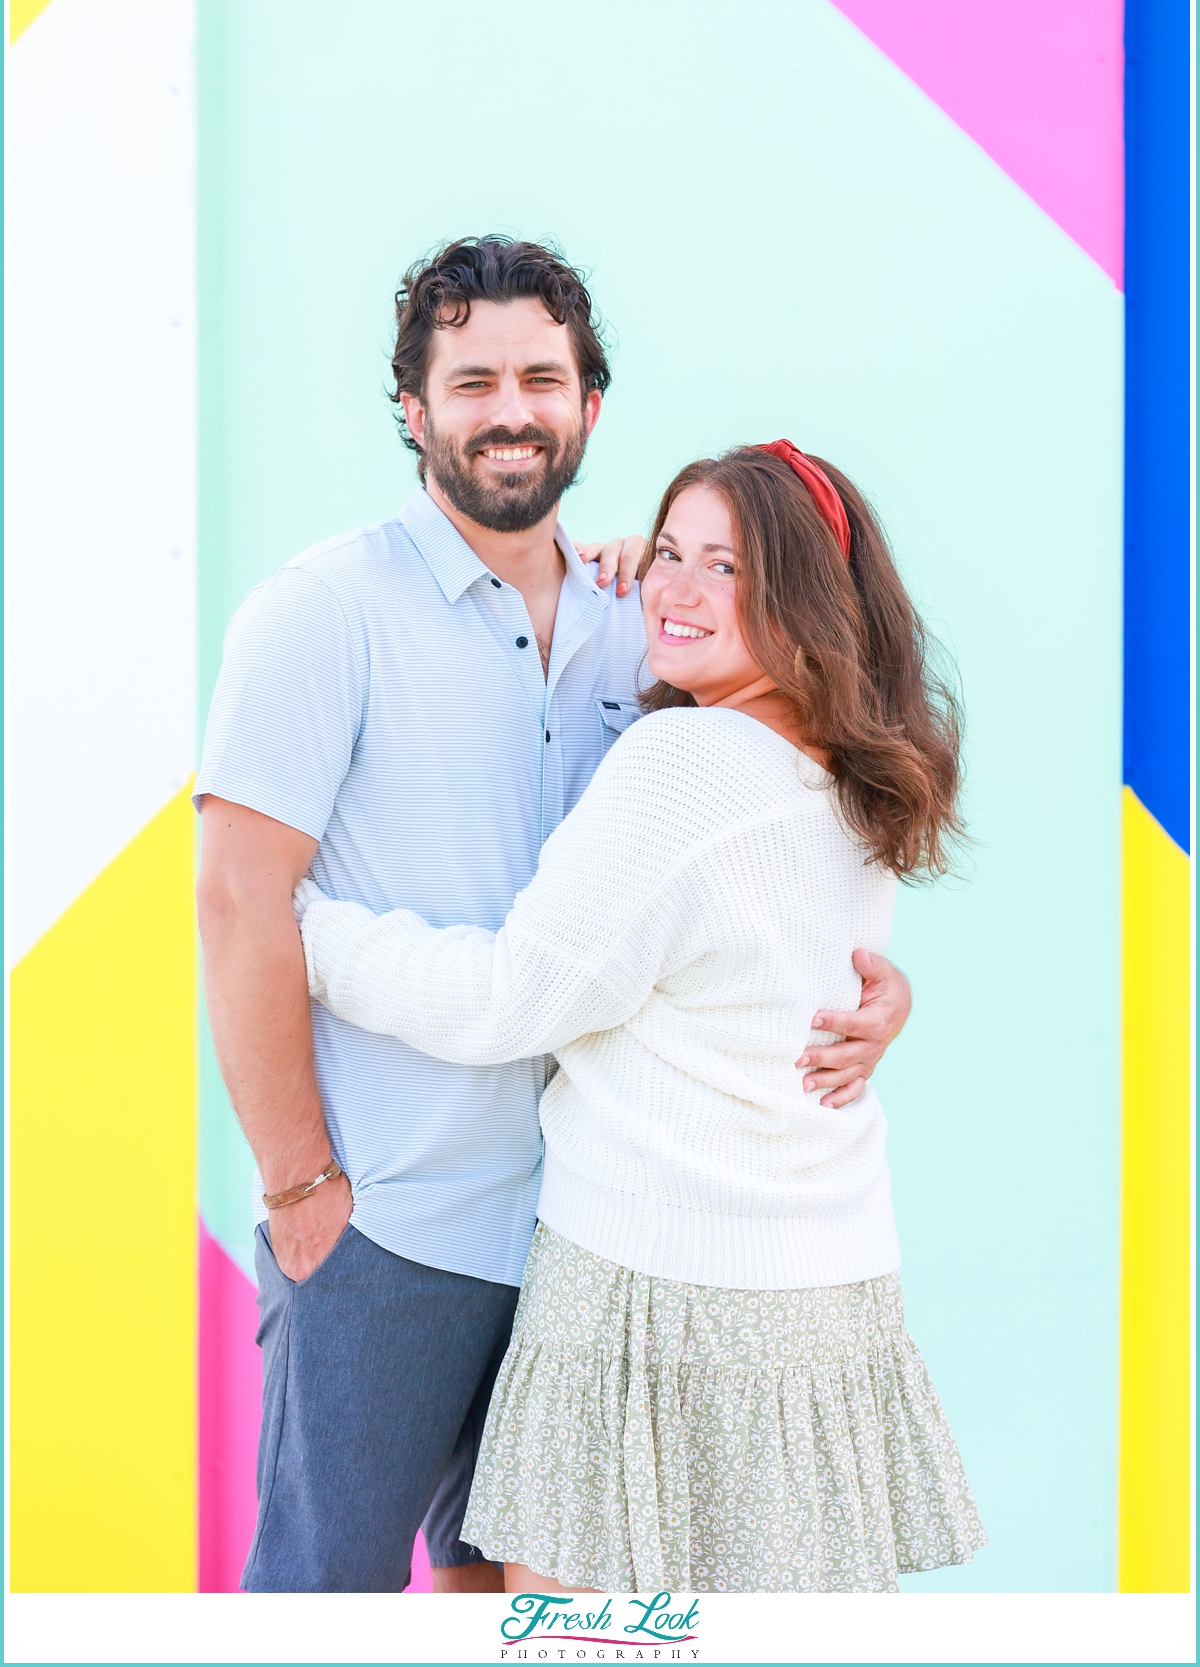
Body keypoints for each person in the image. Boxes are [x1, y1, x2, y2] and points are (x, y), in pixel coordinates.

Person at [195, 237, 913, 1595]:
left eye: (543, 375)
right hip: (392, 1222)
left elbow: (760, 865)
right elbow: (238, 902)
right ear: (412, 407)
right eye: (471, 380)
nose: (509, 407)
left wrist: (881, 988)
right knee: (320, 1598)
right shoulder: (320, 612)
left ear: (591, 404)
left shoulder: (641, 620)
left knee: (514, 1605)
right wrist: (302, 1191)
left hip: (582, 1246)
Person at [295, 442, 986, 1595]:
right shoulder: (857, 783)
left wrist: (309, 932)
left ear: (805, 598)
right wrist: (658, 576)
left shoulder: (684, 764)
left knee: (584, 1639)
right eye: (668, 553)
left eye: (728, 567)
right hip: (826, 1300)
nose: (674, 588)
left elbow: (513, 997)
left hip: (651, 1301)